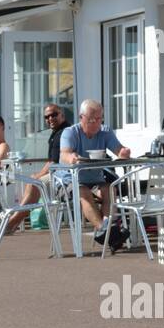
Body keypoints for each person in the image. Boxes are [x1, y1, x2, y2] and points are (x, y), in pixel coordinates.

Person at [61, 99, 131, 249]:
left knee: (109, 189)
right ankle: (107, 232)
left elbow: (118, 149)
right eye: (92, 119)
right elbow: (64, 154)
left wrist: (123, 152)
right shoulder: (70, 132)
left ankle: (106, 230)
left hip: (95, 179)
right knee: (83, 191)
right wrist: (72, 158)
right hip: (70, 181)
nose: (96, 123)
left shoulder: (105, 131)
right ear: (81, 118)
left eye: (99, 118)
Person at [3, 104, 70, 235]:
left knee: (34, 183)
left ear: (62, 115)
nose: (50, 118)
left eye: (54, 115)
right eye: (47, 117)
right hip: (60, 173)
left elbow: (53, 162)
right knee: (31, 180)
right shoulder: (57, 132)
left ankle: (12, 222)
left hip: (65, 176)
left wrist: (38, 175)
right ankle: (15, 220)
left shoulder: (63, 133)